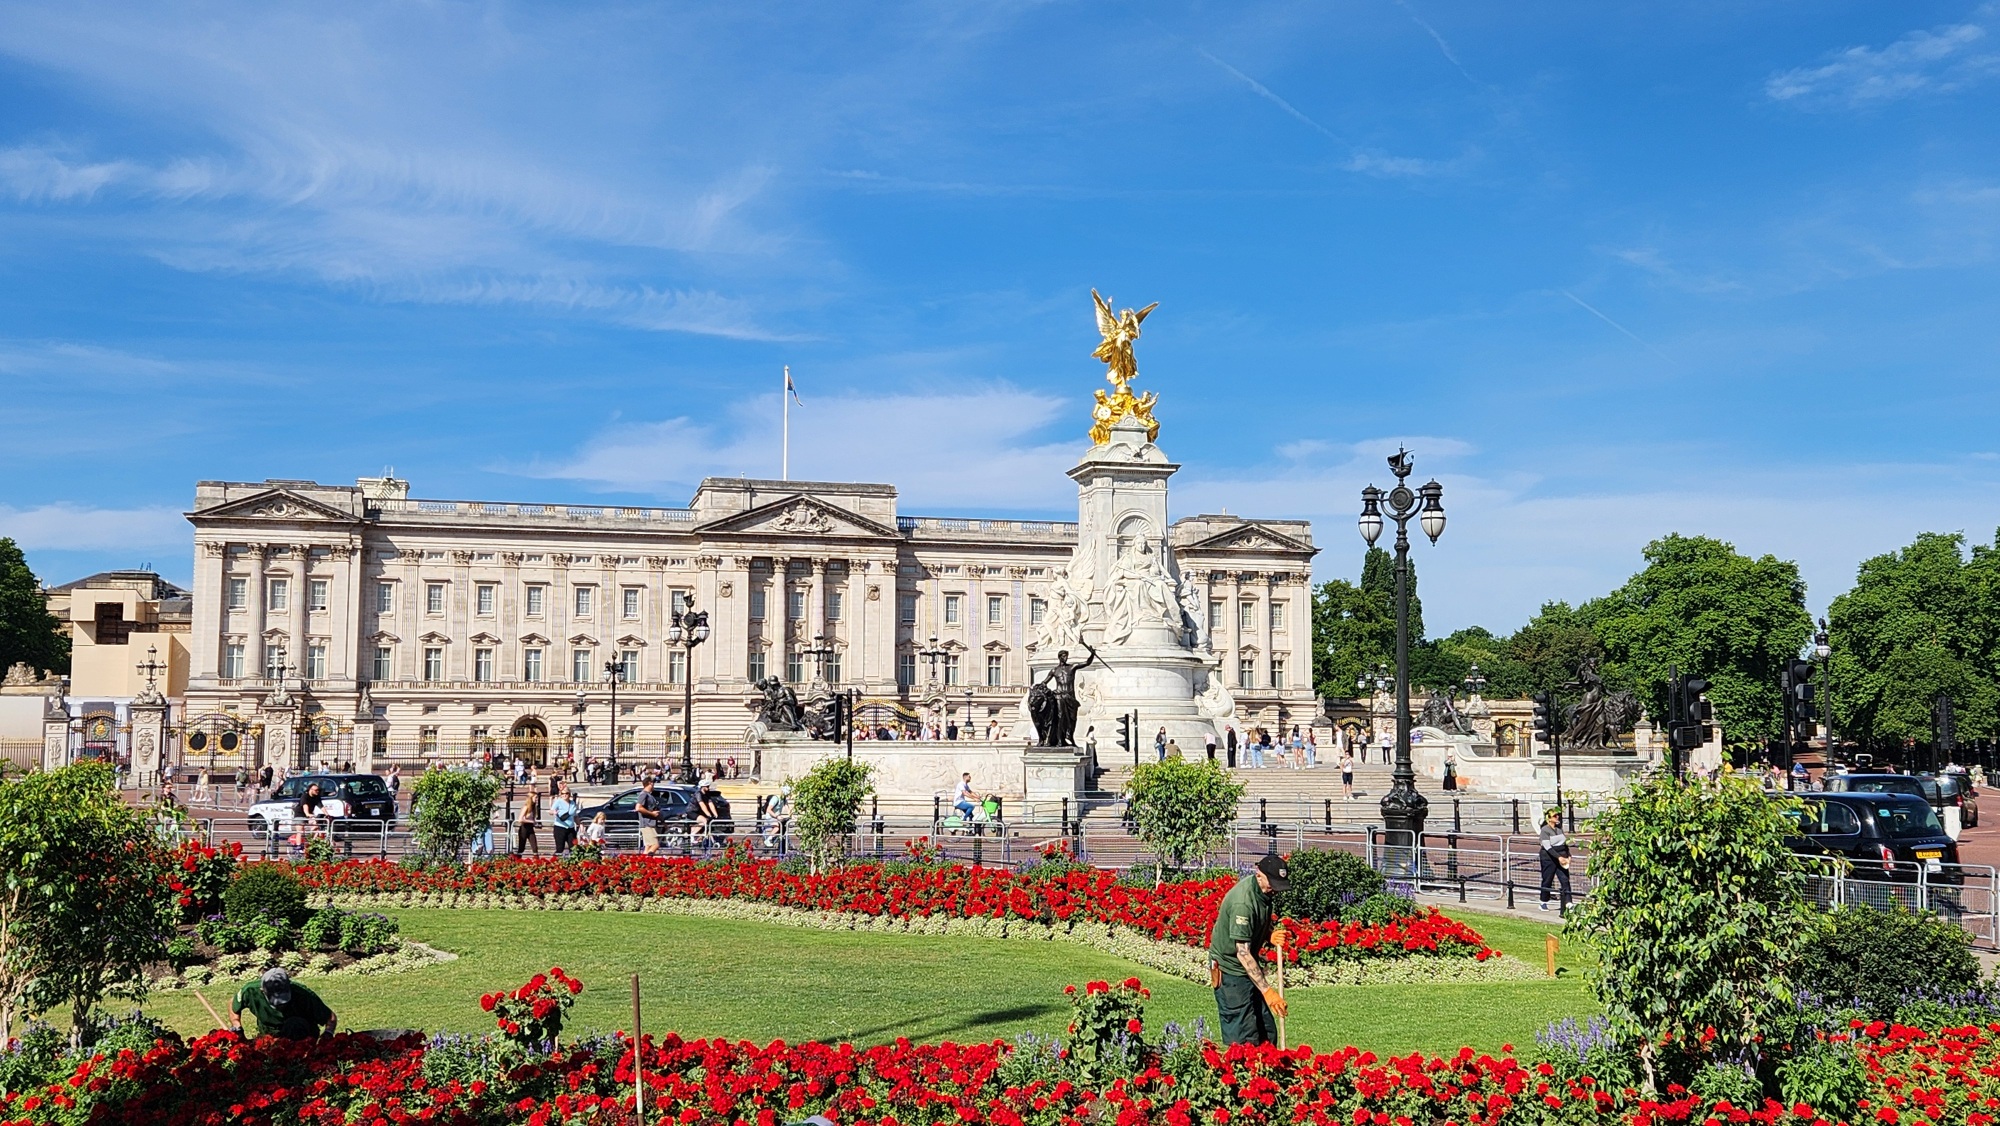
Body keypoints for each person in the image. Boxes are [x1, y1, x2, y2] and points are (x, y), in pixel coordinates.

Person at [1208, 853, 1291, 1046]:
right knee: (1244, 1037)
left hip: (1247, 969)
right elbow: (1242, 953)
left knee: (1266, 1032)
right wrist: (1267, 991)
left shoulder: (1264, 892)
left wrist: (1268, 934)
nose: (1276, 890)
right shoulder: (1243, 902)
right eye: (1273, 884)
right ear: (1259, 875)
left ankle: (1269, 1064)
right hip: (1231, 971)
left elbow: (1253, 925)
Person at [231, 968, 336, 1040]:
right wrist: (237, 1027)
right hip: (269, 1035)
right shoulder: (250, 991)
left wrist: (328, 1033)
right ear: (262, 990)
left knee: (294, 1024)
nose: (280, 1005)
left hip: (301, 1035)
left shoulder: (304, 994)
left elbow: (330, 1017)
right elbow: (233, 1004)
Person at [1538, 807, 1573, 913]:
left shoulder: (1559, 828)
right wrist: (1559, 857)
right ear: (1549, 818)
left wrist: (1568, 855)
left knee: (1565, 879)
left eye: (1558, 815)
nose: (1557, 817)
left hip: (1561, 856)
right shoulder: (1545, 830)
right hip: (1549, 858)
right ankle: (1543, 902)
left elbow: (1564, 843)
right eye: (1555, 816)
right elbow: (1547, 847)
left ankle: (1568, 903)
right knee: (1547, 879)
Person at [636, 777, 665, 856]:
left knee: (648, 846)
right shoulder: (644, 794)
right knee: (655, 845)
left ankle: (643, 861)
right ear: (650, 783)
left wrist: (662, 822)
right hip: (647, 824)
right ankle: (648, 860)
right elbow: (638, 808)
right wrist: (652, 814)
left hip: (650, 824)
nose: (654, 785)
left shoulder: (649, 795)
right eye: (653, 783)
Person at [551, 781, 579, 854]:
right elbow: (551, 810)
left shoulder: (572, 803)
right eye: (562, 793)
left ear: (569, 794)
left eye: (566, 793)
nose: (564, 795)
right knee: (560, 848)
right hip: (560, 827)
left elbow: (575, 815)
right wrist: (553, 812)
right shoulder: (558, 801)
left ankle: (572, 860)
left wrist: (580, 824)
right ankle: (555, 860)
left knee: (573, 848)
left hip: (570, 828)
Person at [514, 789, 541, 855]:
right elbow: (520, 819)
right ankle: (517, 859)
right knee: (521, 847)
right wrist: (531, 821)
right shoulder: (526, 807)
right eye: (535, 797)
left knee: (534, 847)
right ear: (531, 798)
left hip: (530, 828)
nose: (537, 799)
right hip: (524, 828)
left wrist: (534, 822)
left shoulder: (533, 807)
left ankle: (536, 859)